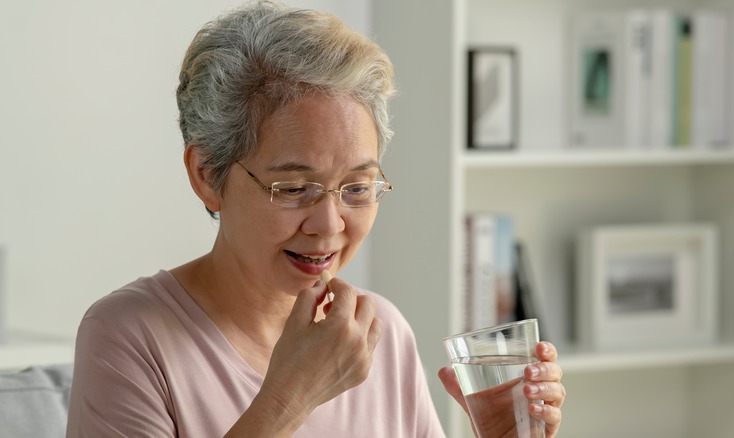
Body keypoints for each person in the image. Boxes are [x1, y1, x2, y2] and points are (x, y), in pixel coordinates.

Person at [66, 1, 566, 437]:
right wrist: (288, 399)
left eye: (356, 188)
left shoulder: (380, 332)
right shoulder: (129, 335)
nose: (329, 225)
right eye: (293, 188)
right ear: (206, 173)